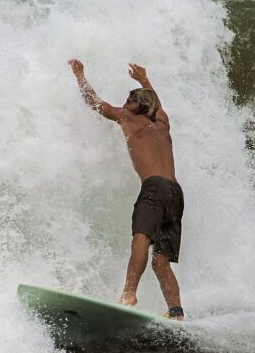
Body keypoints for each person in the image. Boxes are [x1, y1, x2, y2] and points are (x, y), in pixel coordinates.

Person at [68, 58, 185, 320]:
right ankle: (176, 311)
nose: (124, 104)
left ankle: (129, 294)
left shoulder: (127, 117)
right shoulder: (162, 120)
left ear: (137, 106)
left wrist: (80, 76)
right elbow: (156, 102)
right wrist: (143, 79)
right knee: (161, 260)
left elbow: (94, 102)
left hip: (154, 188)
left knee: (140, 239)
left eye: (128, 100)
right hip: (175, 194)